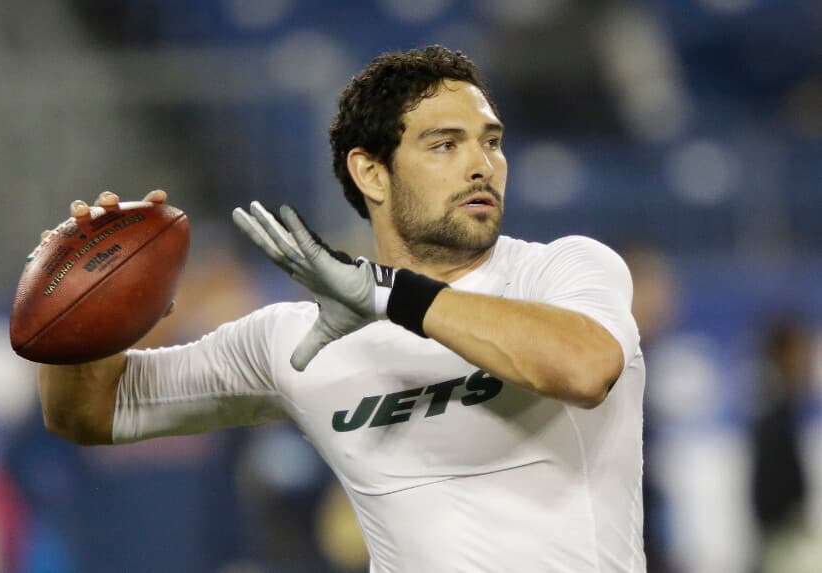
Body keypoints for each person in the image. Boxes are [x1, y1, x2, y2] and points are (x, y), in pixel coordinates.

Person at [38, 46, 645, 572]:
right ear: (371, 174)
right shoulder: (292, 344)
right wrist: (75, 302)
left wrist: (388, 294)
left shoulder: (562, 270)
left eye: (491, 142)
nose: (481, 163)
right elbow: (91, 411)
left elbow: (583, 368)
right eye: (445, 144)